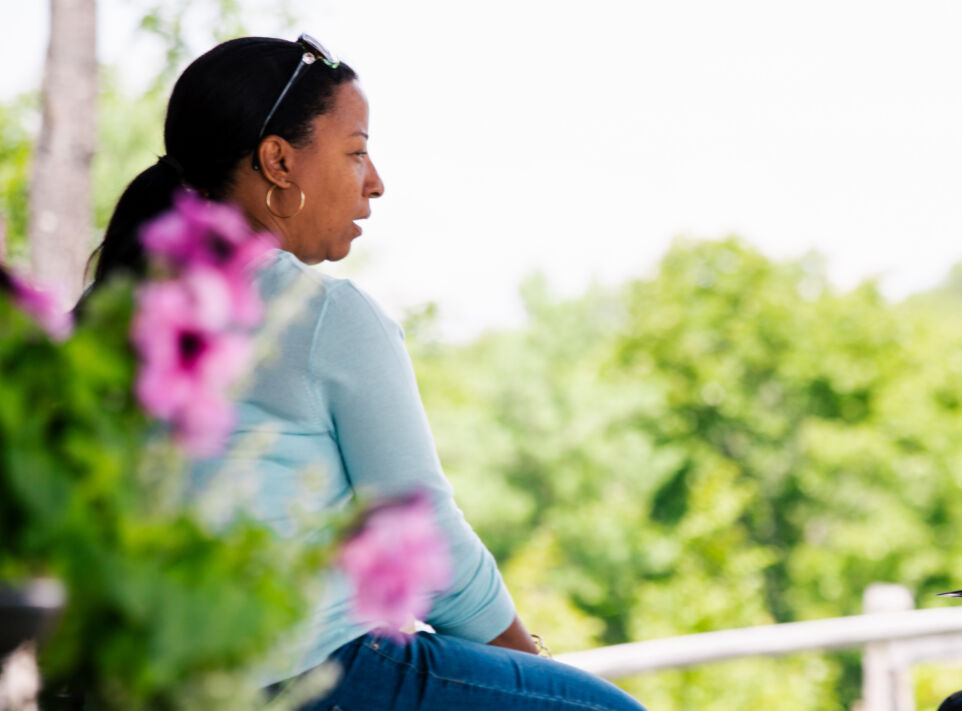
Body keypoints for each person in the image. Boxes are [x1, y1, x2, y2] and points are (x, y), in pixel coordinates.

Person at [85, 35, 646, 710]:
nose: (375, 180)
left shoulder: (117, 313)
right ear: (279, 161)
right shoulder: (323, 315)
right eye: (355, 151)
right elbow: (424, 539)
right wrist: (531, 660)